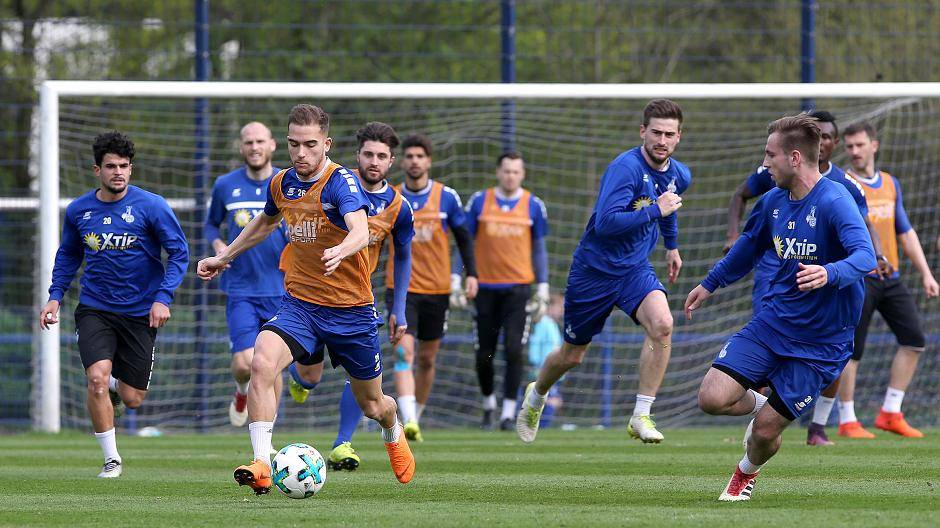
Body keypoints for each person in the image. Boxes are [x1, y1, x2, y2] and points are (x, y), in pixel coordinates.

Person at [197, 104, 415, 494]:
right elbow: (265, 222)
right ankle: (262, 463)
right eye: (294, 144)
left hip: (351, 311)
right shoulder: (282, 182)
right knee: (261, 362)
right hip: (300, 305)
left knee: (374, 404)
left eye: (310, 145)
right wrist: (224, 256)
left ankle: (392, 428)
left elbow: (361, 230)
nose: (301, 153)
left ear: (326, 144)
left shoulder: (340, 182)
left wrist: (343, 249)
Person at [685, 113, 876, 501]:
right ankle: (760, 402)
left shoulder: (836, 200)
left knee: (765, 433)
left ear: (793, 158)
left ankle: (744, 474)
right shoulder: (773, 201)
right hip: (774, 323)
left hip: (822, 343)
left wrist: (829, 273)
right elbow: (747, 248)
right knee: (711, 398)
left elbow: (865, 256)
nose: (764, 163)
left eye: (769, 155)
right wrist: (710, 284)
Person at [516, 99, 690, 445]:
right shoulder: (624, 169)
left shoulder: (679, 174)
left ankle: (641, 414)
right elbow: (608, 224)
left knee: (663, 324)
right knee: (572, 355)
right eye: (656, 132)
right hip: (593, 272)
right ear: (643, 132)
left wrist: (671, 246)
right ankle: (537, 394)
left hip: (634, 270)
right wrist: (656, 211)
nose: (662, 140)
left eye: (669, 134)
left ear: (678, 137)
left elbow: (670, 207)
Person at [723, 110, 884, 446]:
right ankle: (771, 407)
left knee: (833, 355)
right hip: (778, 292)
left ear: (831, 144)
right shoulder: (774, 182)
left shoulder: (842, 189)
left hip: (827, 305)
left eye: (828, 137)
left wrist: (836, 270)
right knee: (735, 382)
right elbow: (746, 218)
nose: (823, 142)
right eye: (819, 135)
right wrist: (713, 278)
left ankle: (815, 425)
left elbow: (864, 238)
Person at [40, 131, 189, 478]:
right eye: (111, 166)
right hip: (95, 309)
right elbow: (69, 254)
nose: (118, 172)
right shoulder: (79, 210)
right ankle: (111, 459)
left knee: (134, 398)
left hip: (140, 313)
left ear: (131, 169)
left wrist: (162, 298)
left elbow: (179, 253)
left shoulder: (152, 206)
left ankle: (114, 389)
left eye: (124, 166)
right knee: (95, 378)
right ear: (97, 170)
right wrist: (54, 296)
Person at [287, 121, 414, 472]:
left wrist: (398, 309)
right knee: (308, 375)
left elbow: (402, 256)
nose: (374, 161)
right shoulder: (334, 184)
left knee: (365, 387)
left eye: (382, 156)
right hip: (309, 294)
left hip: (354, 300)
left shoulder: (399, 207)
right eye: (368, 154)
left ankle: (343, 441)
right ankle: (300, 379)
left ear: (391, 161)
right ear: (357, 155)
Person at [835, 121, 939, 438]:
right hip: (858, 278)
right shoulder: (842, 184)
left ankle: (891, 412)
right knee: (853, 349)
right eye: (849, 146)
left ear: (874, 146)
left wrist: (926, 274)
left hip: (890, 276)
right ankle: (847, 419)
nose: (853, 151)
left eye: (859, 145)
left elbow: (904, 232)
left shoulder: (891, 184)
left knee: (914, 340)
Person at [384, 133, 478, 441]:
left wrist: (470, 274)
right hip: (401, 289)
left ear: (429, 161)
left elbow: (464, 238)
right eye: (409, 156)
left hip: (437, 290)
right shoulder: (391, 196)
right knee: (403, 352)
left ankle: (415, 417)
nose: (414, 161)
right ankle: (408, 419)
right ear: (402, 162)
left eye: (419, 156)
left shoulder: (446, 197)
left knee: (426, 359)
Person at [204, 122, 288, 427]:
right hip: (241, 289)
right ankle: (241, 391)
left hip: (283, 290)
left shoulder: (287, 182)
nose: (254, 147)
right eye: (249, 142)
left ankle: (268, 434)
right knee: (245, 364)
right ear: (242, 147)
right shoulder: (225, 185)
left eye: (260, 141)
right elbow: (211, 224)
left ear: (272, 145)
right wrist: (218, 246)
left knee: (271, 367)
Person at [464, 151, 549, 430]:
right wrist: (459, 277)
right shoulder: (479, 201)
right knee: (484, 354)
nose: (511, 175)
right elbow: (466, 242)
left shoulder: (533, 205)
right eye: (506, 171)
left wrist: (543, 286)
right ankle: (489, 405)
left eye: (516, 171)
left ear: (522, 174)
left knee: (514, 349)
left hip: (518, 290)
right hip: (485, 289)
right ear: (498, 172)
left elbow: (538, 249)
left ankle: (509, 414)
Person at [527, 293, 564, 428]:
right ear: (549, 307)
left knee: (552, 401)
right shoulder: (543, 323)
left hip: (554, 372)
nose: (562, 310)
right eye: (559, 307)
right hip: (543, 371)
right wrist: (536, 365)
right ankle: (538, 428)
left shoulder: (552, 324)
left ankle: (539, 427)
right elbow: (535, 346)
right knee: (550, 400)